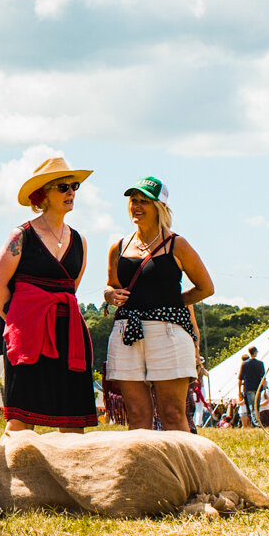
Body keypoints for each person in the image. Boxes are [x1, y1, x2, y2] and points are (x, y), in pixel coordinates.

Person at [0, 156, 97, 433]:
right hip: (27, 337)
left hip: (69, 334)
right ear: (43, 194)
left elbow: (72, 287)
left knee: (73, 419)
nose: (71, 192)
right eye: (63, 187)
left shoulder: (80, 240)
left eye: (74, 186)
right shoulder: (21, 235)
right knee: (22, 418)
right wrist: (18, 322)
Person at [103, 177, 213, 433]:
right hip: (126, 332)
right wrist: (109, 295)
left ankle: (184, 471)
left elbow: (206, 287)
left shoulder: (178, 244)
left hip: (168, 332)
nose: (137, 206)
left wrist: (171, 303)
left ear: (160, 207)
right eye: (133, 201)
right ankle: (144, 472)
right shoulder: (118, 246)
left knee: (173, 414)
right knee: (137, 416)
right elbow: (110, 284)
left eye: (145, 201)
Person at [237, 347, 266, 426]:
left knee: (251, 406)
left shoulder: (244, 364)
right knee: (256, 406)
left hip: (248, 387)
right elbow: (263, 378)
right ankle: (256, 422)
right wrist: (265, 390)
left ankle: (255, 423)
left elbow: (240, 379)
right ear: (255, 352)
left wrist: (239, 391)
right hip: (258, 387)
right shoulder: (260, 363)